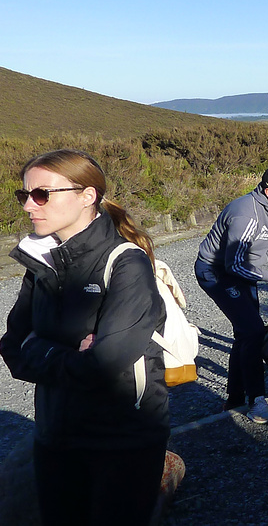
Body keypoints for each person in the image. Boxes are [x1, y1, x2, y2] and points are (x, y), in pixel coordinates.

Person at [0, 149, 169, 526]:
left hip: (123, 438)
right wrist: (69, 355)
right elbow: (12, 348)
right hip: (54, 434)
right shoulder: (41, 261)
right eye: (23, 195)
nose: (29, 205)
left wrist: (41, 351)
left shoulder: (127, 262)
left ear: (87, 196)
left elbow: (104, 365)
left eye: (42, 194)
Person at [194, 164, 268, 424]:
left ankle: (235, 399)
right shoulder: (245, 214)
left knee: (246, 332)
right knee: (253, 331)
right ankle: (257, 402)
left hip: (243, 270)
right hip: (217, 272)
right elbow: (234, 265)